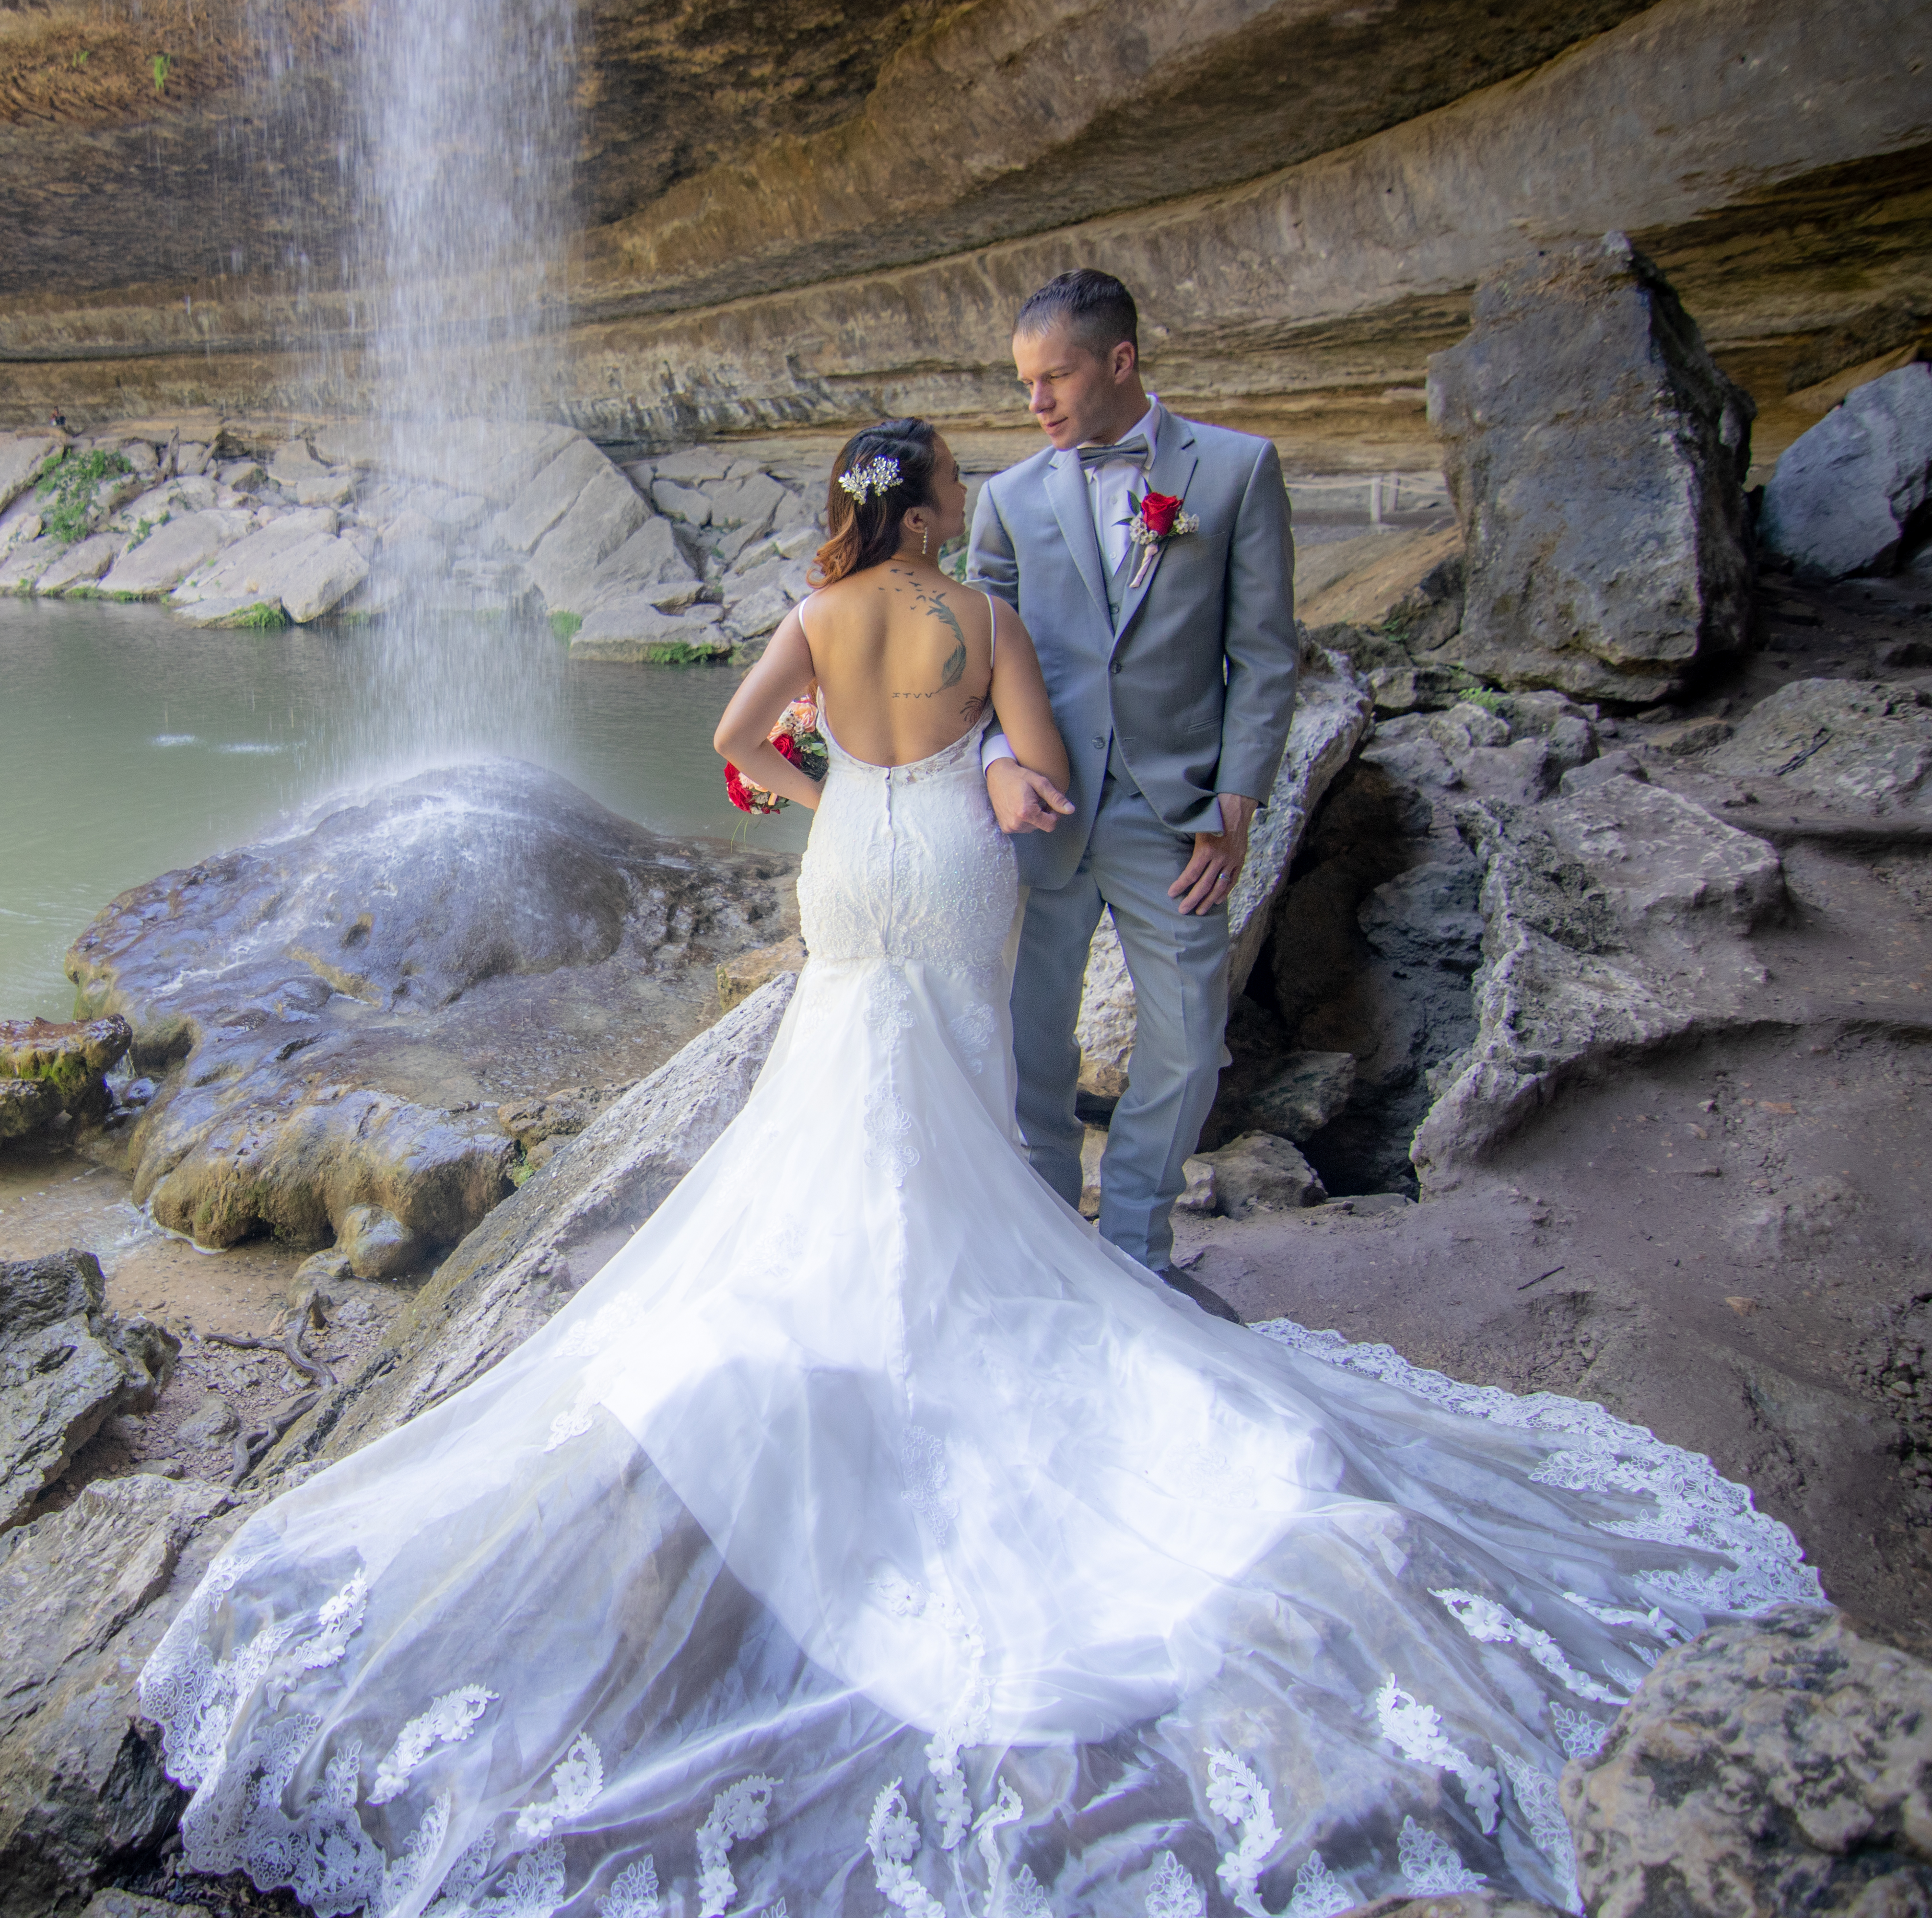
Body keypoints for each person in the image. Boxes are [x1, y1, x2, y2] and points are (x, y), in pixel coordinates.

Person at [136, 421, 1816, 1918]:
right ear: (932, 509)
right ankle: (947, 1279)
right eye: (954, 479)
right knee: (942, 1062)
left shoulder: (816, 616)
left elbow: (737, 741)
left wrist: (823, 784)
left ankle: (847, 1292)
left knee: (837, 1063)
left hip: (846, 854)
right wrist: (985, 770)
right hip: (946, 853)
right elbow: (1046, 777)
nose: (965, 493)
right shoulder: (979, 619)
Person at [968, 269, 1296, 1303]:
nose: (1036, 403)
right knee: (1031, 1043)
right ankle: (1047, 1240)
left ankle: (1135, 1253)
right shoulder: (1007, 499)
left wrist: (1237, 798)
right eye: (1024, 383)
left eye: (1055, 377)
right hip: (1042, 815)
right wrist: (997, 763)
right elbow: (973, 663)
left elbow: (1264, 654)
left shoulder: (1237, 470)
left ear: (1121, 361)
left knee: (1191, 1040)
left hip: (1178, 816)